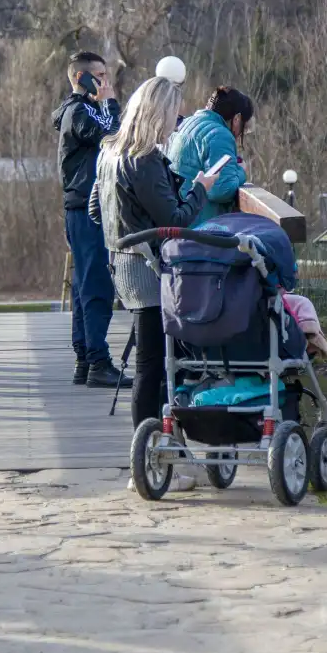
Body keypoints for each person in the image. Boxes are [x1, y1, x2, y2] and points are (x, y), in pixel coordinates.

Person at [89, 75, 224, 490]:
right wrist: (201, 189)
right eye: (171, 115)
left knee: (154, 362)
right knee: (155, 367)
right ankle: (153, 461)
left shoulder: (109, 152)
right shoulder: (143, 158)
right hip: (147, 269)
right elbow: (177, 221)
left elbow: (97, 210)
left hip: (122, 263)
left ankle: (160, 454)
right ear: (158, 113)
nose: (174, 124)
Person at [53, 50, 128, 389]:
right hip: (86, 207)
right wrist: (109, 102)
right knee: (96, 283)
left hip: (83, 206)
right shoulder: (80, 112)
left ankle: (86, 359)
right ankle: (97, 360)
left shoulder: (81, 112)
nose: (106, 82)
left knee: (87, 283)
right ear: (82, 78)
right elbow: (113, 137)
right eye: (100, 76)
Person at [166, 86, 253, 225]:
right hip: (199, 229)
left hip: (177, 221)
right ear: (237, 118)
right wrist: (241, 171)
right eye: (245, 126)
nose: (242, 132)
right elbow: (221, 190)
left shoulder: (186, 124)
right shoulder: (220, 135)